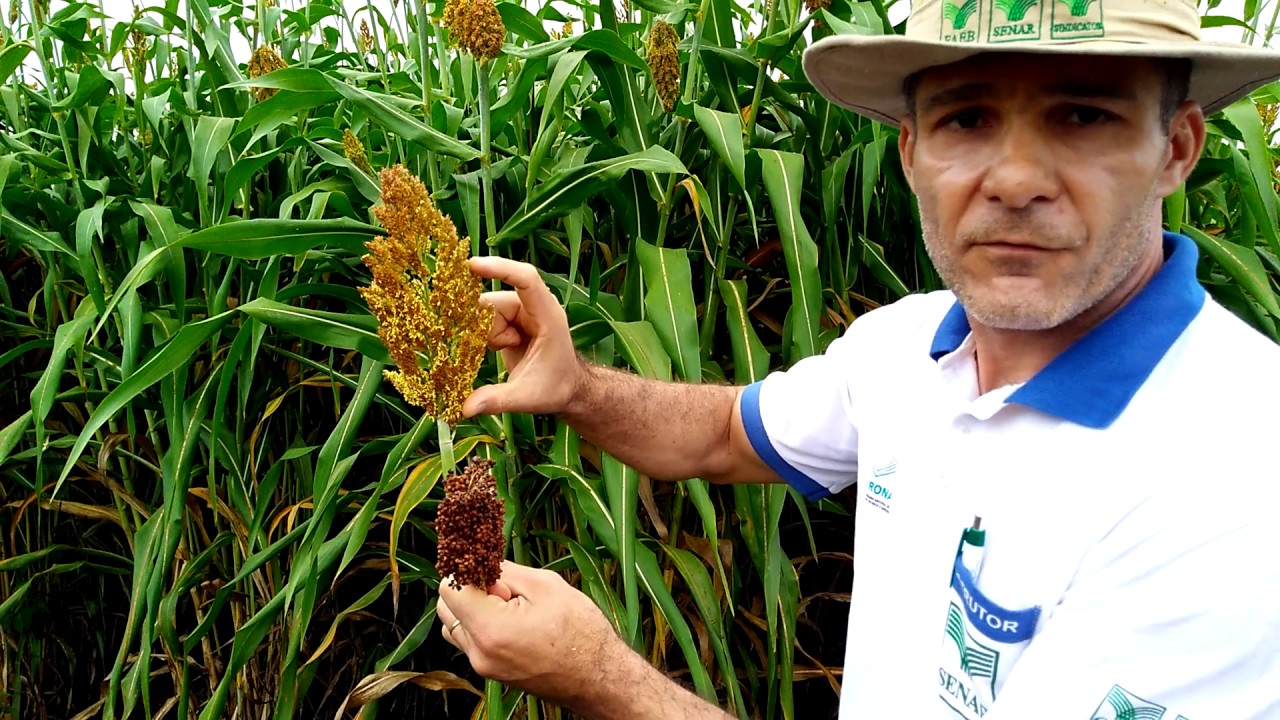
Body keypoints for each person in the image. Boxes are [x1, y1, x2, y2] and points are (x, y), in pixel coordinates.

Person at [436, 0, 1280, 717]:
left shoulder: (1235, 482)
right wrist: (579, 387)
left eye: (1084, 114)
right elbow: (725, 433)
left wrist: (601, 678)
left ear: (1177, 148)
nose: (1016, 178)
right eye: (968, 118)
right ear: (910, 153)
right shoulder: (906, 345)